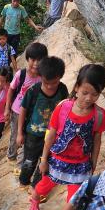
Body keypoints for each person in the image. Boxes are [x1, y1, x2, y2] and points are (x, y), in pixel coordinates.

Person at [28, 64, 105, 210]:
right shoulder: (63, 107)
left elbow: (97, 141)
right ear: (77, 87)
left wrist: (93, 163)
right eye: (85, 92)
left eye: (95, 94)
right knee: (42, 187)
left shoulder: (100, 115)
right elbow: (51, 134)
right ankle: (34, 200)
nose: (89, 98)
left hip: (80, 165)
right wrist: (44, 159)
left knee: (74, 200)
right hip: (57, 161)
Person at [17, 56, 68, 190]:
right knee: (29, 160)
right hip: (33, 134)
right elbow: (23, 110)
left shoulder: (62, 90)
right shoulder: (33, 91)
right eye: (46, 83)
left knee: (44, 161)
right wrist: (19, 133)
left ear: (60, 77)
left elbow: (64, 110)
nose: (51, 86)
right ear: (41, 77)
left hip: (52, 135)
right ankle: (24, 181)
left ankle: (36, 186)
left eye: (54, 82)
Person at [5, 42, 49, 161]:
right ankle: (11, 155)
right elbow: (11, 90)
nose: (35, 63)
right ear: (27, 59)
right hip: (17, 111)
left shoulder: (43, 77)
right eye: (32, 59)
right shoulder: (21, 74)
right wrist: (7, 108)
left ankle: (24, 158)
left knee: (28, 135)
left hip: (33, 114)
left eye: (39, 60)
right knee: (15, 134)